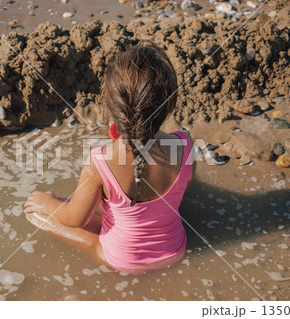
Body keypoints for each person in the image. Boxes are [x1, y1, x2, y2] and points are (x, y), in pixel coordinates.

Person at [24, 42, 195, 274]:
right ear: (171, 105)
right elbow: (185, 184)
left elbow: (76, 219)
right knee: (112, 209)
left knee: (38, 214)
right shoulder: (185, 144)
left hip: (122, 260)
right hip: (175, 250)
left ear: (110, 109)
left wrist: (48, 203)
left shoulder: (100, 162)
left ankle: (49, 207)